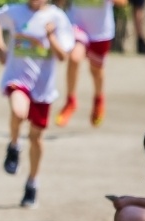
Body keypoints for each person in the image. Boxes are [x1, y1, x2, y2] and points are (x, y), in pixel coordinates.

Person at [0, 0, 75, 207]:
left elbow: (63, 56)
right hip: (18, 78)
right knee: (19, 112)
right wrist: (0, 48)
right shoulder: (15, 11)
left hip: (42, 87)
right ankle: (14, 145)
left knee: (36, 138)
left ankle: (32, 183)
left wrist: (51, 37)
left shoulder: (57, 17)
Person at [54, 0, 128, 128]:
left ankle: (98, 99)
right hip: (77, 26)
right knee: (74, 58)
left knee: (96, 70)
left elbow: (122, 3)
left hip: (100, 32)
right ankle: (70, 101)